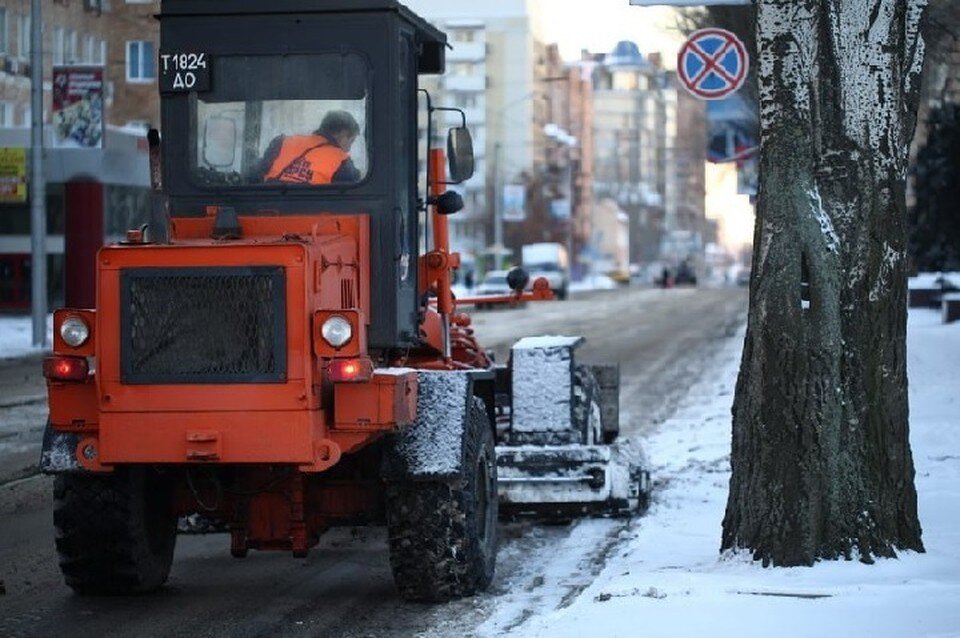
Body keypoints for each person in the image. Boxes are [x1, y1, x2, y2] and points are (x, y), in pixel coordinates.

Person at [255, 110, 362, 185]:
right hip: (312, 212)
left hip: (267, 208)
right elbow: (352, 189)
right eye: (351, 142)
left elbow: (257, 174)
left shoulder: (282, 142)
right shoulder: (341, 160)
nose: (348, 149)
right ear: (343, 134)